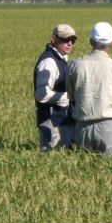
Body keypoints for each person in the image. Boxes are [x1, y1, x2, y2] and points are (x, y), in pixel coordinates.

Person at [67, 22, 112, 156]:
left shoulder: (75, 65)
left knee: (83, 170)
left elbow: (70, 96)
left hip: (82, 125)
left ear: (91, 41)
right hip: (110, 126)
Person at [33, 23, 77, 151]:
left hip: (63, 121)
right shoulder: (49, 62)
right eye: (65, 39)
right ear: (54, 39)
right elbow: (41, 94)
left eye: (72, 40)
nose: (69, 43)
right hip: (53, 123)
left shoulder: (60, 59)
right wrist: (68, 97)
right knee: (53, 157)